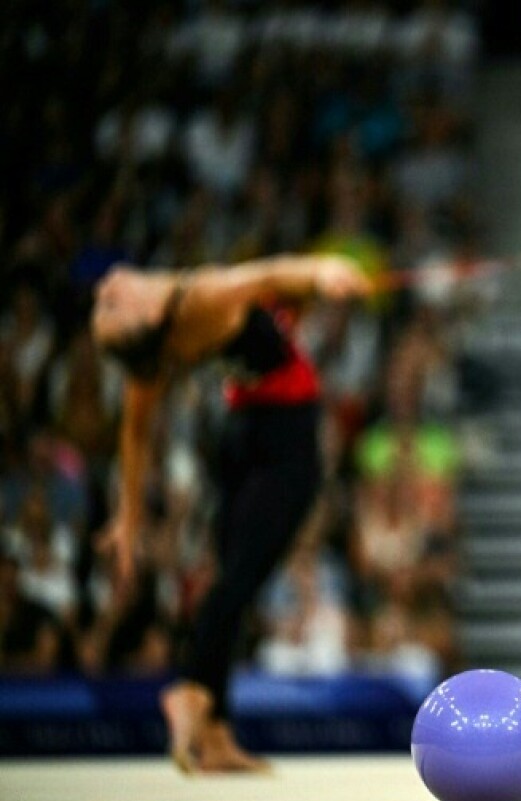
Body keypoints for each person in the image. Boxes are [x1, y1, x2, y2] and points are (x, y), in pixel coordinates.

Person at [91, 254, 372, 773]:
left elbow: (134, 438)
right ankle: (193, 691)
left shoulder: (157, 349)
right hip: (285, 437)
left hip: (240, 435)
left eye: (103, 301)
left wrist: (127, 519)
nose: (106, 285)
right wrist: (325, 269)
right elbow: (269, 275)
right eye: (111, 303)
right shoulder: (199, 295)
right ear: (150, 319)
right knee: (238, 583)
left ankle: (216, 732)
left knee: (230, 584)